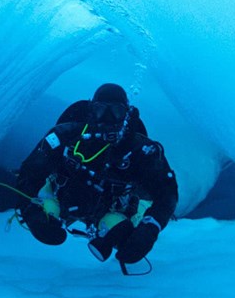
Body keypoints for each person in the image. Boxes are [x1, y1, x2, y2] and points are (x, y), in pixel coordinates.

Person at [16, 83, 178, 268]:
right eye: (101, 110)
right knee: (45, 207)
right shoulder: (64, 136)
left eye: (116, 111)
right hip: (60, 196)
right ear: (91, 111)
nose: (108, 118)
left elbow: (167, 194)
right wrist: (31, 212)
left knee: (122, 233)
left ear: (126, 115)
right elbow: (29, 172)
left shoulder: (141, 150)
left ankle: (125, 221)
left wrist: (149, 230)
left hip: (112, 208)